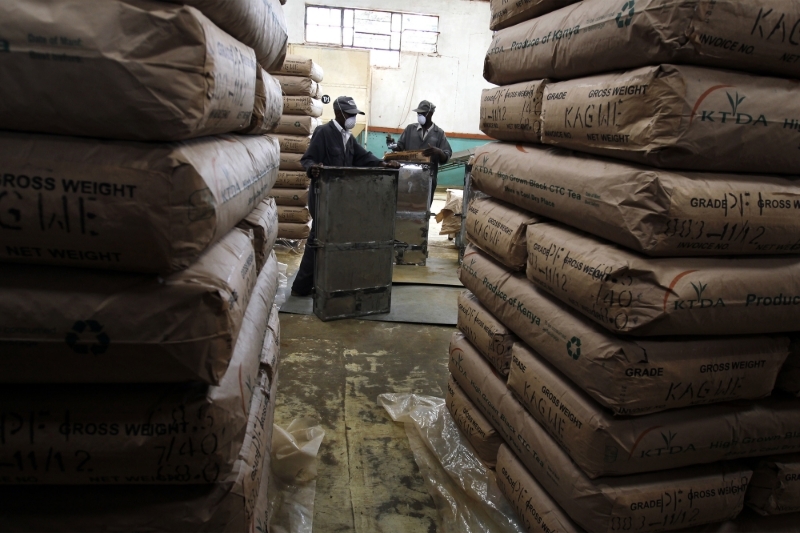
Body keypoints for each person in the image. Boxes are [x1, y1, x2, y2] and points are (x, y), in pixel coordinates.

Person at [291, 96, 400, 297]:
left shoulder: (348, 137)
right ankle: (301, 287)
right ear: (339, 113)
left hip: (341, 199)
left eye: (354, 115)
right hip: (323, 198)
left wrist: (383, 164)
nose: (353, 118)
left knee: (333, 240)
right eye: (350, 115)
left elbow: (363, 156)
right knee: (317, 239)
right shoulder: (324, 133)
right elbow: (307, 159)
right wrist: (312, 169)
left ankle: (327, 283)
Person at [393, 100, 452, 204]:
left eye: (423, 114)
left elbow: (446, 155)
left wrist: (438, 151)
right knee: (405, 205)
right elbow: (400, 147)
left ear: (430, 114)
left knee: (424, 208)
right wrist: (393, 146)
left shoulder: (438, 133)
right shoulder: (410, 129)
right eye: (418, 114)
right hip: (408, 176)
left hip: (428, 177)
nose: (420, 116)